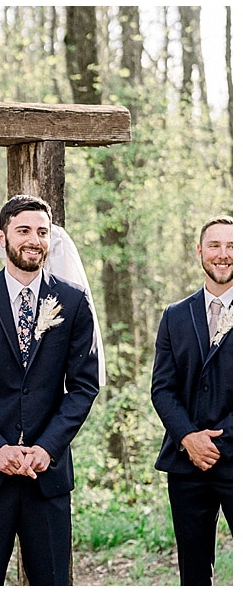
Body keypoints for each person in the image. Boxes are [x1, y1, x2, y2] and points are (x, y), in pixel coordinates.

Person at [0, 194, 100, 585]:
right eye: (24, 230)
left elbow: (84, 386)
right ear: (2, 237)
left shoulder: (73, 300)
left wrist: (47, 448)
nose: (34, 239)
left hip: (47, 477)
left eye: (42, 232)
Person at [150, 215, 233, 585]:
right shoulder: (175, 316)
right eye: (215, 245)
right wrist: (188, 437)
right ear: (200, 251)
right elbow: (162, 389)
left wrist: (220, 440)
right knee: (194, 575)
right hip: (187, 465)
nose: (224, 254)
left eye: (232, 245)